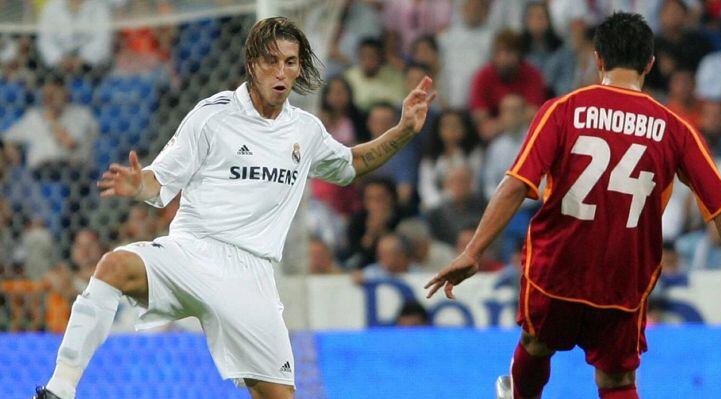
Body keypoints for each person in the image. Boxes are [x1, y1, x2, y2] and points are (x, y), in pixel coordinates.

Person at [35, 17, 436, 399]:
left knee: (278, 394)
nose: (281, 72)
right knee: (114, 266)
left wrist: (402, 131)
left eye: (290, 62)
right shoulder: (212, 116)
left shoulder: (305, 131)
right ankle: (61, 387)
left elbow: (353, 164)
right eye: (272, 61)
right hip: (192, 253)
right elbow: (160, 180)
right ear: (252, 64)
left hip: (252, 275)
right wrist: (137, 184)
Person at [425, 12, 721, 399]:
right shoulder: (675, 129)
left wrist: (473, 251)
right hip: (624, 276)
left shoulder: (562, 110)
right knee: (617, 381)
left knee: (536, 343)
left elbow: (515, 184)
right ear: (649, 64)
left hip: (558, 267)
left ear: (598, 59)